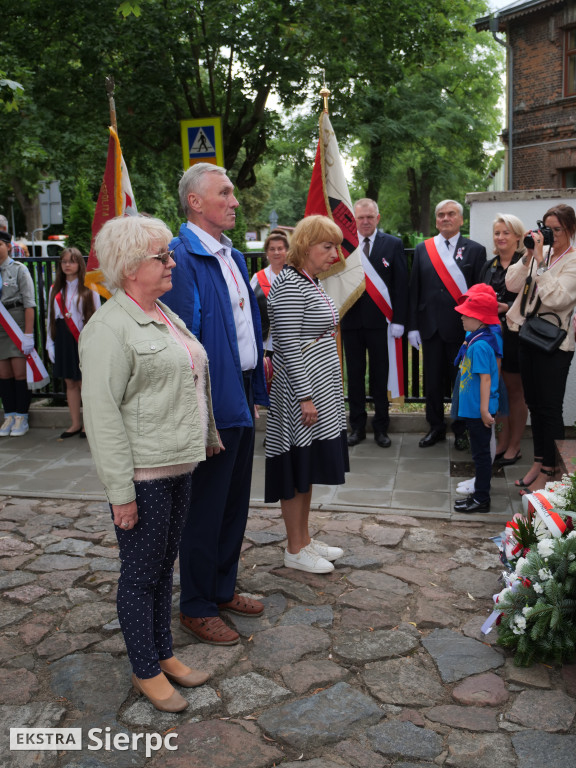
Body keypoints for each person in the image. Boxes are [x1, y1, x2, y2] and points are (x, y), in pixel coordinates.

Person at [79, 215, 217, 713]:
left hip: (177, 465)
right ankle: (145, 669)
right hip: (142, 476)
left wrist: (209, 438)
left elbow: (190, 376)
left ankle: (162, 654)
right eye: (162, 256)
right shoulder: (109, 329)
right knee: (140, 575)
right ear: (132, 267)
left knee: (162, 570)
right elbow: (101, 415)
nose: (171, 262)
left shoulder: (159, 312)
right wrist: (120, 492)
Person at [162, 163, 269, 646]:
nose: (235, 200)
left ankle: (222, 588)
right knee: (206, 506)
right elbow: (182, 342)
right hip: (210, 401)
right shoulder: (181, 258)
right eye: (224, 193)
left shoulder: (232, 256)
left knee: (233, 503)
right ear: (195, 202)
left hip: (240, 391)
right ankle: (196, 605)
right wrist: (197, 413)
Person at [264, 215, 349, 573]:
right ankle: (294, 547)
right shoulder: (287, 285)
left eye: (336, 245)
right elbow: (288, 344)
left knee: (308, 464)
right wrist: (305, 396)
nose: (335, 253)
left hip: (318, 387)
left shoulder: (308, 281)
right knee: (296, 464)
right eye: (327, 246)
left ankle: (304, 539)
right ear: (306, 245)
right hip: (300, 392)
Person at [506, 204, 576, 493]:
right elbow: (511, 284)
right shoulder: (539, 255)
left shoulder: (572, 261)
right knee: (534, 404)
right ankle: (538, 462)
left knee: (550, 409)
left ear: (571, 230)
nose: (551, 234)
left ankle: (552, 470)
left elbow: (558, 298)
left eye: (556, 229)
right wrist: (528, 258)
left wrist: (542, 265)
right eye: (547, 228)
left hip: (556, 344)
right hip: (529, 336)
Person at [408, 200, 487, 449]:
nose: (445, 218)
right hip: (430, 327)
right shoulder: (423, 249)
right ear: (436, 220)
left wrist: (478, 329)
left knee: (461, 382)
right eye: (440, 215)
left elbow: (479, 293)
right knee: (432, 382)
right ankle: (436, 428)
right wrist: (412, 326)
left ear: (461, 220)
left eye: (451, 214)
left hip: (461, 330)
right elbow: (415, 290)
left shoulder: (475, 250)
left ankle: (461, 430)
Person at [341, 199, 408, 449]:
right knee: (355, 377)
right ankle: (357, 427)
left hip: (382, 323)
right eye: (361, 218)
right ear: (354, 220)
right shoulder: (345, 246)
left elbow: (401, 286)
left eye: (370, 217)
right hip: (352, 323)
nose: (366, 221)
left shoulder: (393, 244)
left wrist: (399, 320)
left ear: (377, 218)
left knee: (380, 376)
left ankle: (381, 427)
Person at [480, 214, 527, 466]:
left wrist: (504, 306)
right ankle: (502, 442)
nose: (500, 237)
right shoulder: (489, 266)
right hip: (491, 338)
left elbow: (533, 303)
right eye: (497, 233)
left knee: (515, 392)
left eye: (506, 233)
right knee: (497, 391)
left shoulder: (527, 263)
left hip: (516, 337)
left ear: (518, 237)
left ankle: (516, 446)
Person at [452, 285, 500, 513]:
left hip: (478, 411)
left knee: (481, 457)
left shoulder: (480, 345)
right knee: (478, 454)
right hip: (474, 409)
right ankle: (479, 496)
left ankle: (481, 499)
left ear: (479, 319)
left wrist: (483, 410)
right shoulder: (478, 338)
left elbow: (486, 380)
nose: (462, 317)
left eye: (466, 314)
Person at [47, 247, 100, 438]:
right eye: (64, 262)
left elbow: (96, 318)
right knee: (70, 382)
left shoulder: (89, 288)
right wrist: (49, 344)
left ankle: (88, 425)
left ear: (79, 264)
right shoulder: (55, 290)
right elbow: (50, 318)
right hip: (63, 337)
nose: (67, 265)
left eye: (72, 261)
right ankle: (75, 424)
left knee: (84, 383)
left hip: (82, 338)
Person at [0, 230, 36, 437]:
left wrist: (28, 335)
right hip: (0, 326)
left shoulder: (19, 269)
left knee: (19, 372)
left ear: (7, 246)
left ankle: (22, 415)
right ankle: (10, 414)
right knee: (3, 373)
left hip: (16, 321)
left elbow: (30, 304)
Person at [250, 231, 289, 354]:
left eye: (280, 248)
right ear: (267, 253)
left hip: (291, 343)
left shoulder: (295, 276)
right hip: (266, 345)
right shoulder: (258, 278)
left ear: (287, 251)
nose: (276, 252)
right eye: (272, 249)